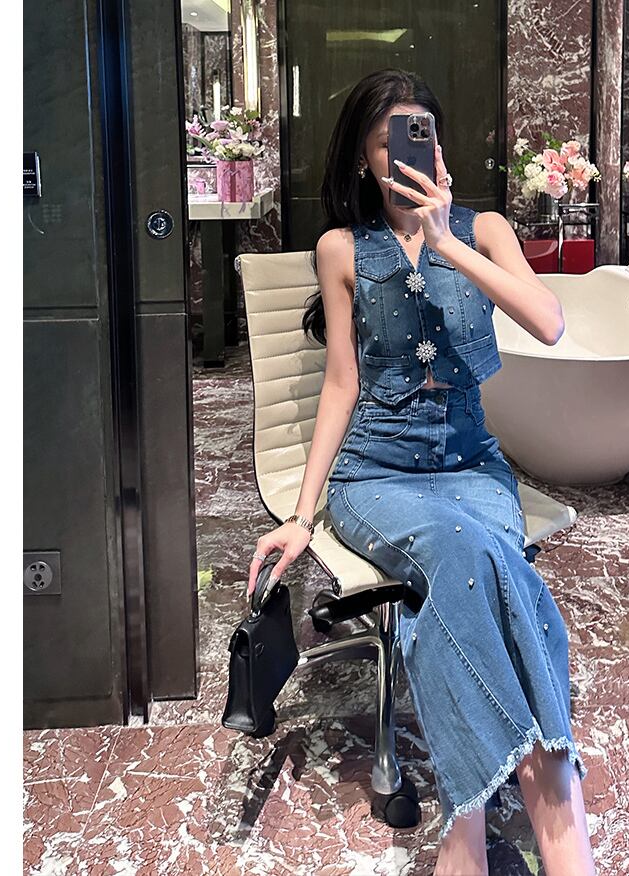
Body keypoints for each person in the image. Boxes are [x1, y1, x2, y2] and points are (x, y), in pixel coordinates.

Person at [247, 68, 596, 876]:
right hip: (378, 476)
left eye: (420, 135)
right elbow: (342, 384)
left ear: (439, 143)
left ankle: (464, 829)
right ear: (364, 159)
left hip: (472, 467)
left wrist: (445, 242)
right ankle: (556, 813)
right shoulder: (341, 248)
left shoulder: (485, 229)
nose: (406, 155)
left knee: (477, 558)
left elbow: (548, 322)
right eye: (387, 143)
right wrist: (301, 514)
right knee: (475, 555)